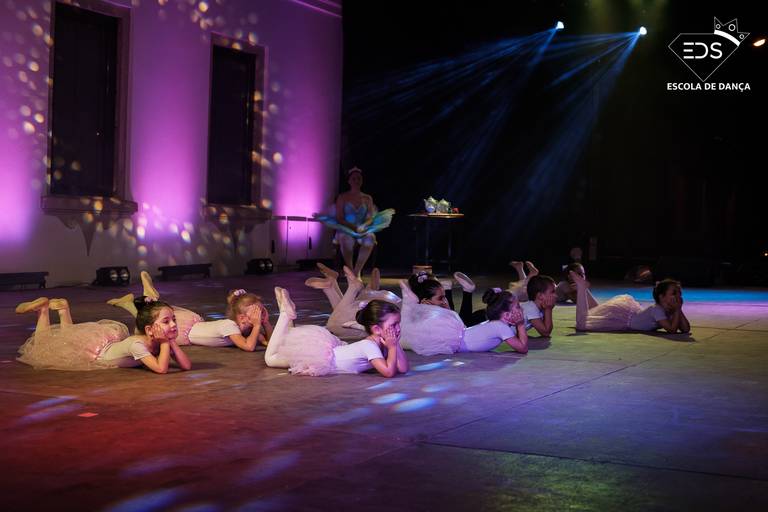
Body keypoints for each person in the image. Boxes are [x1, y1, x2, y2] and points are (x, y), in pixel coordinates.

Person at [15, 296, 191, 373]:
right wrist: (166, 342)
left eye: (173, 319)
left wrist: (170, 341)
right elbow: (161, 369)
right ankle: (43, 311)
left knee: (68, 338)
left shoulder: (157, 341)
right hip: (95, 353)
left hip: (102, 342)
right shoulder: (137, 345)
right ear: (149, 330)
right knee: (43, 346)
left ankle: (63, 310)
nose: (173, 324)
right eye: (166, 321)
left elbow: (186, 366)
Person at [107, 271, 272, 352]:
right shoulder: (230, 326)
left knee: (150, 317)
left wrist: (265, 323)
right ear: (242, 318)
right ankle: (146, 297)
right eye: (257, 312)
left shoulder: (248, 331)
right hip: (184, 330)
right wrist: (258, 325)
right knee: (150, 321)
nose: (261, 313)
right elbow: (248, 347)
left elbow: (270, 342)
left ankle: (129, 303)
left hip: (192, 325)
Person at [264, 287, 409, 378]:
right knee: (271, 359)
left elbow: (403, 368)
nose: (398, 328)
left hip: (330, 352)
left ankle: (286, 313)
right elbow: (388, 372)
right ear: (376, 329)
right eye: (394, 325)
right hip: (320, 358)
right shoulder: (370, 346)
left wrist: (395, 345)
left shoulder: (383, 343)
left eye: (399, 323)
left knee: (284, 347)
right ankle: (285, 315)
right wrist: (392, 347)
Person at [399, 276, 528, 355]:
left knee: (410, 335)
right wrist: (520, 324)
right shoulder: (501, 327)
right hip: (454, 338)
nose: (520, 309)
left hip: (456, 334)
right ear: (506, 314)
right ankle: (408, 303)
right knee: (409, 335)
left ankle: (408, 304)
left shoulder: (498, 325)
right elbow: (522, 348)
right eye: (517, 307)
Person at [314, 167, 395, 277]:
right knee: (346, 239)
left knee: (370, 238)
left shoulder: (367, 198)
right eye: (354, 179)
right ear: (349, 181)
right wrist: (353, 227)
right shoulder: (343, 197)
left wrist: (363, 226)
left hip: (362, 229)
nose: (356, 181)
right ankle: (350, 270)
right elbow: (340, 218)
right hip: (346, 228)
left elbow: (370, 217)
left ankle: (357, 272)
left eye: (359, 178)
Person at [305, 263, 401, 341]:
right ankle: (334, 286)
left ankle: (334, 286)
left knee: (340, 316)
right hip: (355, 316)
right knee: (337, 320)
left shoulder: (377, 299)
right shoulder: (378, 300)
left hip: (363, 311)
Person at [571, 272, 691, 333]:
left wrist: (678, 309)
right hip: (624, 319)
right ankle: (581, 288)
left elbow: (685, 329)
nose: (678, 296)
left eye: (679, 293)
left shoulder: (670, 310)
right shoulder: (657, 310)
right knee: (582, 324)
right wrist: (677, 309)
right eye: (674, 293)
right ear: (662, 297)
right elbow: (671, 330)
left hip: (629, 314)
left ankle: (584, 290)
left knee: (597, 311)